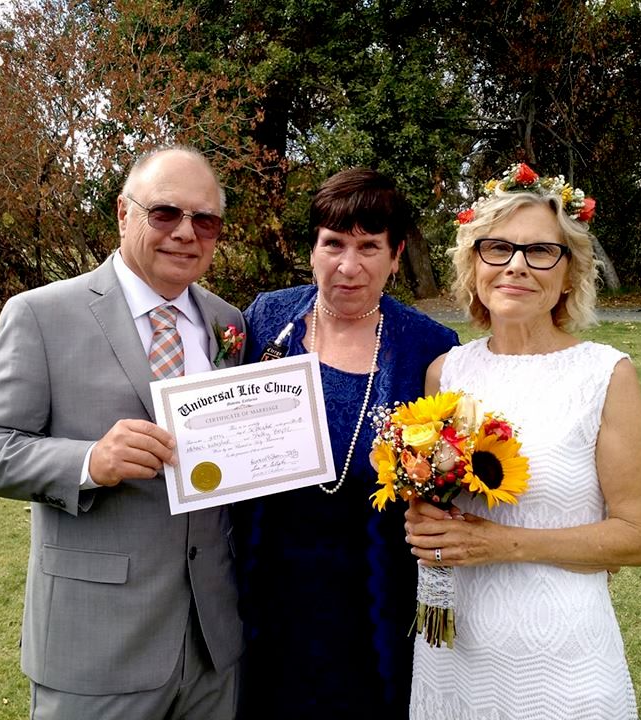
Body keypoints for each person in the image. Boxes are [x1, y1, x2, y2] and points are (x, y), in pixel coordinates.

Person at [0, 146, 245, 720]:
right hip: (97, 643)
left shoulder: (226, 322)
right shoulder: (42, 315)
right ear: (122, 213)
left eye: (205, 220)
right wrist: (90, 461)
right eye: (165, 213)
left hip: (211, 643)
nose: (186, 234)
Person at [405, 163, 641, 719]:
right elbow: (432, 496)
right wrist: (421, 513)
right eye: (497, 248)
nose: (516, 265)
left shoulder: (604, 375)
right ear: (474, 265)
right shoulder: (444, 375)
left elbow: (639, 538)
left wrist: (506, 544)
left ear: (569, 274)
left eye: (541, 251)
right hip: (455, 652)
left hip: (564, 657)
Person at [233, 168, 459, 720]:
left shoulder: (429, 347)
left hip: (371, 590)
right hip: (268, 584)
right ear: (312, 248)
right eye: (333, 243)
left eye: (369, 246)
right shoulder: (266, 319)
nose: (348, 265)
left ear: (396, 253)